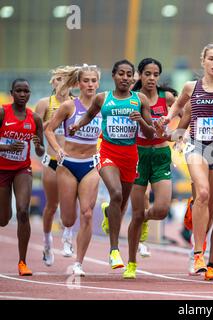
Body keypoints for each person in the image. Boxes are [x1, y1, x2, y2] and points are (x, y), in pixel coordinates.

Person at [159, 43, 213, 280]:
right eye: (212, 59)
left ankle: (203, 253)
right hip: (196, 146)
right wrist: (167, 119)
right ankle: (198, 253)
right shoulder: (191, 87)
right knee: (203, 193)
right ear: (203, 61)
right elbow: (177, 106)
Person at [69, 59, 155, 271]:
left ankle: (110, 213)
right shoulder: (102, 98)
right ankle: (114, 251)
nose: (125, 78)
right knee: (115, 193)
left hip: (130, 156)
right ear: (114, 76)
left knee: (122, 203)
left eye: (129, 75)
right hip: (107, 152)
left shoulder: (140, 99)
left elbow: (151, 132)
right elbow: (88, 116)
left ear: (133, 78)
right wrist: (76, 125)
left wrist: (141, 121)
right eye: (121, 74)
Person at [44, 65, 102, 277]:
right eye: (85, 80)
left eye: (93, 81)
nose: (90, 84)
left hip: (90, 164)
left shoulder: (103, 106)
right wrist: (58, 149)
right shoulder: (69, 106)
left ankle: (79, 262)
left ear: (98, 83)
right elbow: (49, 129)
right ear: (78, 84)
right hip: (68, 164)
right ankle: (66, 231)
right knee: (69, 218)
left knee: (87, 213)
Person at [124, 58, 177, 279]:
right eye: (147, 74)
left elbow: (185, 120)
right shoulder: (131, 98)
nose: (152, 78)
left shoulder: (168, 97)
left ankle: (145, 217)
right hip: (138, 156)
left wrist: (172, 135)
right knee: (135, 214)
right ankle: (131, 264)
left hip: (161, 154)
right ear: (140, 75)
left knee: (162, 209)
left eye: (156, 74)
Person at [0, 79, 45, 275]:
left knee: (23, 212)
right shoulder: (2, 113)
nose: (22, 94)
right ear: (12, 93)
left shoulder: (35, 119)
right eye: (18, 90)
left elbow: (42, 150)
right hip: (2, 169)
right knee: (3, 219)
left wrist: (37, 146)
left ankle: (22, 262)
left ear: (29, 94)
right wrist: (7, 147)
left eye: (26, 91)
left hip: (22, 169)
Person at [35, 67, 77, 266]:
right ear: (53, 82)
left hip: (71, 161)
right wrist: (53, 122)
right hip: (51, 161)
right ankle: (47, 242)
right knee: (52, 206)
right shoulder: (45, 103)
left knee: (71, 203)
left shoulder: (76, 103)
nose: (61, 82)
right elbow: (35, 132)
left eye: (65, 79)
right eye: (58, 79)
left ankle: (68, 238)